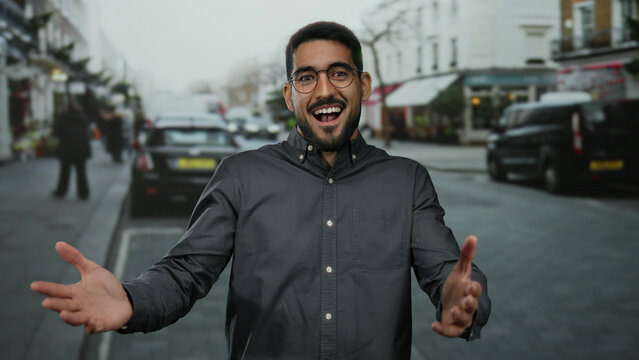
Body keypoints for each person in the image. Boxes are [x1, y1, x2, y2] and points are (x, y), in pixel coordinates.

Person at [31, 21, 490, 359]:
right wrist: (130, 300)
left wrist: (463, 300)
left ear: (363, 85)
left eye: (339, 74)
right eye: (306, 78)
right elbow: (185, 272)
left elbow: (449, 274)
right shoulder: (241, 176)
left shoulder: (406, 180)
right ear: (290, 95)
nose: (324, 90)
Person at [51, 100, 92, 200]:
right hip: (81, 149)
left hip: (66, 148)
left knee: (65, 172)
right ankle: (83, 193)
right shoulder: (83, 118)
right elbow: (87, 133)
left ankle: (61, 191)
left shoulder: (63, 118)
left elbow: (56, 133)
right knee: (81, 172)